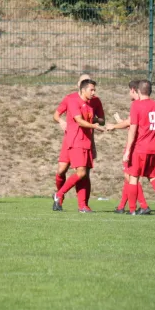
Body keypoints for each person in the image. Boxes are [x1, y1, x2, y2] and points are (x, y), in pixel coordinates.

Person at [52, 79, 106, 212]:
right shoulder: (72, 99)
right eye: (91, 89)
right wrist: (61, 121)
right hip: (73, 140)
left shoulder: (92, 103)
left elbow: (101, 120)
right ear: (81, 88)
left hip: (85, 141)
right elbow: (77, 120)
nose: (94, 92)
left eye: (94, 89)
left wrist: (96, 121)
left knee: (83, 173)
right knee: (63, 171)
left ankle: (82, 205)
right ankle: (59, 195)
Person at [123, 80, 155, 216]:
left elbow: (133, 130)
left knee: (133, 177)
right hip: (154, 147)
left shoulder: (136, 105)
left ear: (138, 91)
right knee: (153, 176)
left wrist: (128, 150)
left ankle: (132, 209)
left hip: (140, 148)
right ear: (150, 91)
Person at [106, 80, 150, 214]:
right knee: (129, 177)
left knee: (131, 177)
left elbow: (131, 124)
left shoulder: (137, 104)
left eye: (129, 90)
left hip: (135, 147)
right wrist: (121, 122)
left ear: (133, 90)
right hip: (142, 145)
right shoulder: (144, 105)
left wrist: (114, 126)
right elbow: (132, 124)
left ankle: (143, 205)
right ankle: (121, 207)